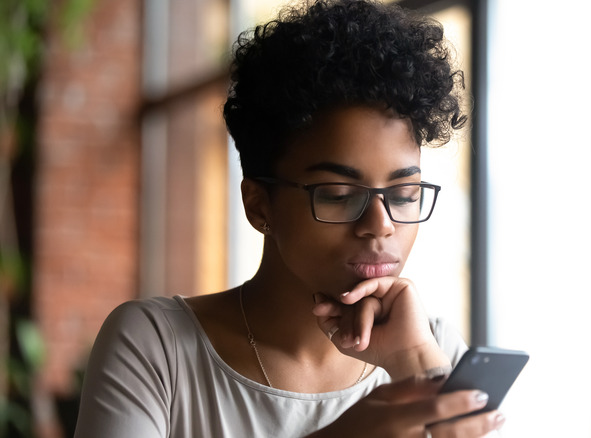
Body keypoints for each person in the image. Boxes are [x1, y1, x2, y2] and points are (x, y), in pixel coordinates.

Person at [74, 0, 506, 436]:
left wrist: (413, 363)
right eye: (338, 195)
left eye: (403, 194)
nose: (381, 224)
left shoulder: (433, 345)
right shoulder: (157, 347)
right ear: (260, 205)